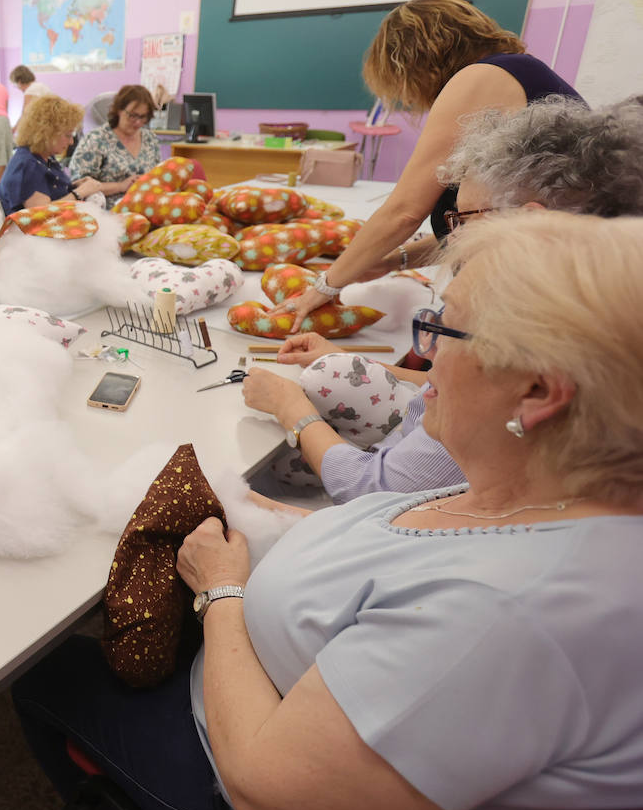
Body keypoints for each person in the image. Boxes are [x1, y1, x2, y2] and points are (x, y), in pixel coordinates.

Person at [14, 209, 643, 810]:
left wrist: (221, 593)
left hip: (229, 776)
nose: (423, 364)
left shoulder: (503, 614)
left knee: (40, 672)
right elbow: (396, 545)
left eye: (443, 334)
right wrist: (256, 512)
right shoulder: (536, 494)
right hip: (262, 661)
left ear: (538, 392)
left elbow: (269, 792)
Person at [241, 96, 643, 504]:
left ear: (530, 221)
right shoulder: (574, 310)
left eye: (465, 219)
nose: (453, 239)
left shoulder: (524, 342)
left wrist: (290, 407)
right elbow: (455, 381)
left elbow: (372, 490)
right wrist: (360, 364)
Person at [282, 0, 581, 325]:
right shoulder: (519, 71)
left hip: (544, 293)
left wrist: (323, 287)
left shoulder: (483, 76)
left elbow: (404, 211)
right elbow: (475, 225)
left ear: (410, 61)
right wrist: (391, 261)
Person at [0, 96, 105, 215]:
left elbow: (48, 186)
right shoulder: (28, 165)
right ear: (47, 133)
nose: (71, 142)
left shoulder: (44, 158)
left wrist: (74, 185)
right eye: (68, 135)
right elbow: (42, 213)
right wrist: (80, 192)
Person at [67, 83, 162, 204]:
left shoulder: (150, 139)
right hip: (107, 212)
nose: (138, 122)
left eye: (143, 117)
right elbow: (79, 185)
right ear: (119, 110)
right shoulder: (96, 139)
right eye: (132, 116)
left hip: (146, 206)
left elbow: (158, 176)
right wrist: (120, 186)